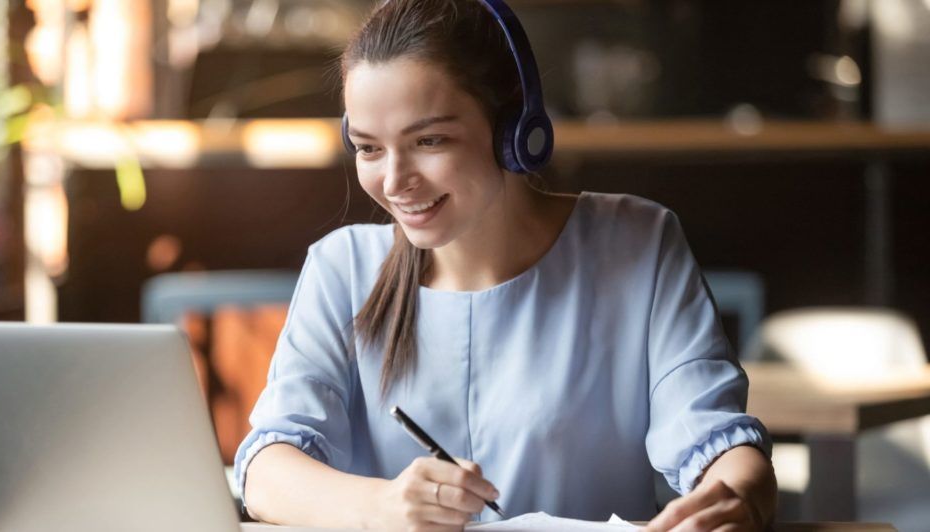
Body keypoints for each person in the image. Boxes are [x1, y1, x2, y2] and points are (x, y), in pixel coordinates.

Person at [233, 0, 777, 530]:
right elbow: (265, 473)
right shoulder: (342, 267)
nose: (395, 182)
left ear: (515, 130)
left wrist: (738, 501)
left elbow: (715, 441)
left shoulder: (637, 242)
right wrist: (384, 509)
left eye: (429, 140)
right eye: (369, 149)